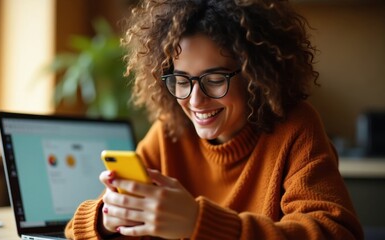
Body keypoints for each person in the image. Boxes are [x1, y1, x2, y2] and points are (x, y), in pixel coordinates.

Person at [65, 0, 364, 239]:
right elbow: (74, 230)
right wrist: (106, 219)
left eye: (215, 78)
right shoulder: (169, 134)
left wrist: (198, 223)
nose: (195, 100)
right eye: (181, 80)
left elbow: (335, 232)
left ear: (254, 76)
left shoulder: (295, 128)